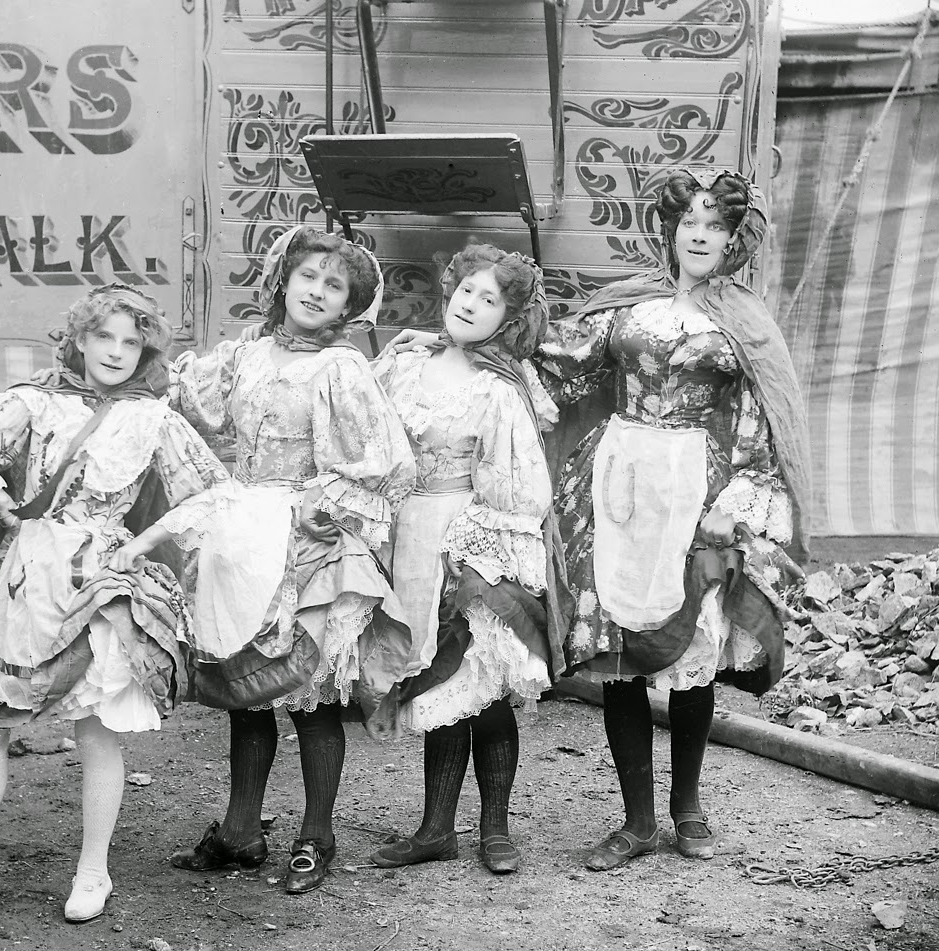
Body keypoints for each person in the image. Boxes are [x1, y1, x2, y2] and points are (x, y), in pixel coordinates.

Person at [386, 168, 811, 872]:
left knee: (690, 652)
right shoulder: (628, 309)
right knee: (616, 658)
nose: (699, 235)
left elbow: (762, 418)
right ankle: (638, 819)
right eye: (690, 223)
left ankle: (687, 806)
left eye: (715, 226)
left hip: (695, 486)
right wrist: (464, 347)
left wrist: (735, 503)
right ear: (670, 230)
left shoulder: (745, 323)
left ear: (734, 241)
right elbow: (562, 363)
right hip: (614, 483)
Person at [0, 285, 229, 923]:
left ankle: (93, 873)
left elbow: (211, 491)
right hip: (27, 578)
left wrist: (145, 543)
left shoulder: (153, 418)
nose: (117, 352)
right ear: (79, 339)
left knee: (97, 729)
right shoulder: (36, 401)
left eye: (133, 342)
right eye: (105, 336)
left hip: (102, 578)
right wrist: (0, 500)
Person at [158, 224, 417, 895]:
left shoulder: (342, 370)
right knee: (247, 695)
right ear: (283, 280)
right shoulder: (242, 356)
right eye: (309, 277)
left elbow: (382, 462)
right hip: (244, 538)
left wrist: (321, 502)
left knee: (310, 697)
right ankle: (241, 832)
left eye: (334, 287)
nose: (317, 291)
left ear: (347, 307)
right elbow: (179, 399)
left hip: (310, 544)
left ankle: (316, 835)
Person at [368, 244, 572, 875]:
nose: (471, 304)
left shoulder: (498, 389)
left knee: (480, 687)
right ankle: (435, 828)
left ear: (505, 320)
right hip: (407, 535)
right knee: (436, 685)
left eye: (490, 300)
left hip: (470, 540)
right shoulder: (403, 365)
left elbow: (517, 486)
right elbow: (365, 437)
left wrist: (478, 554)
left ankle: (494, 828)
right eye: (465, 291)